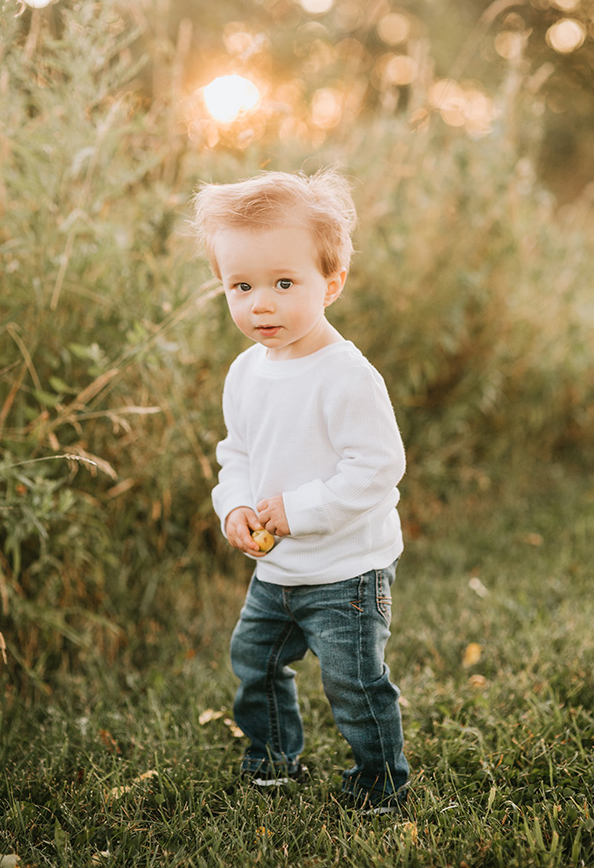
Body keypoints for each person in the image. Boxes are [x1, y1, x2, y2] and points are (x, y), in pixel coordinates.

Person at [193, 169, 409, 814]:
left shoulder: (345, 376)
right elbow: (237, 453)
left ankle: (381, 784)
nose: (261, 303)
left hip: (345, 572)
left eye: (284, 284)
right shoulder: (246, 370)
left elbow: (376, 467)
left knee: (355, 684)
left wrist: (300, 510)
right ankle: (273, 760)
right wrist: (233, 503)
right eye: (242, 286)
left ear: (331, 283)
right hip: (275, 566)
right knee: (254, 663)